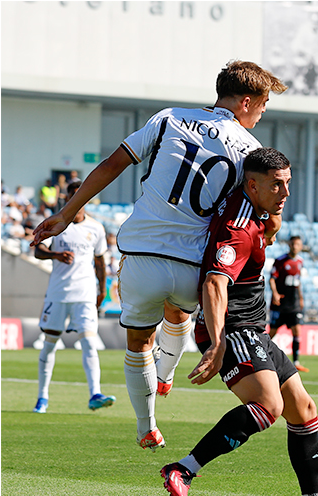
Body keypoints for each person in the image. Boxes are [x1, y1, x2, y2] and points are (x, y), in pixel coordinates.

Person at [31, 61, 288, 450]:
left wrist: (66, 214)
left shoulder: (170, 118)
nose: (265, 110)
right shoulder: (252, 151)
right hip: (193, 269)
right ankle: (166, 372)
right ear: (247, 101)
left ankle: (146, 425)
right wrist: (271, 226)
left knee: (138, 342)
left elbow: (114, 164)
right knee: (180, 312)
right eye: (265, 102)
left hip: (141, 255)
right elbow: (265, 214)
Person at [161, 148, 318, 496]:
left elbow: (269, 229)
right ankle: (184, 468)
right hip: (232, 327)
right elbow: (214, 284)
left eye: (288, 183)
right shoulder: (237, 229)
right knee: (269, 405)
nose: (285, 192)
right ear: (252, 185)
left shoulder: (254, 205)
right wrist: (219, 344)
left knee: (303, 410)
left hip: (252, 327)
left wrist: (273, 216)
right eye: (277, 185)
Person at [32, 181, 116, 414]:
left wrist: (101, 290)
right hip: (58, 294)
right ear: (66, 199)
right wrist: (56, 255)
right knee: (49, 345)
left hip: (85, 294)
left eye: (79, 197)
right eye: (71, 197)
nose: (75, 201)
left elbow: (99, 261)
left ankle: (95, 394)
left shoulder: (96, 228)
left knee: (89, 341)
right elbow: (38, 250)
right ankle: (42, 397)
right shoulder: (57, 224)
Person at [268, 235, 309, 373]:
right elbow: (272, 279)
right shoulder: (280, 261)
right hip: (280, 302)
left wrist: (301, 298)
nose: (295, 246)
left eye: (297, 244)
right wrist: (274, 293)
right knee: (272, 332)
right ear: (289, 245)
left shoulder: (300, 262)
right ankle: (260, 354)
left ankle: (296, 361)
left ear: (301, 246)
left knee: (297, 330)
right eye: (293, 244)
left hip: (294, 303)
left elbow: (298, 282)